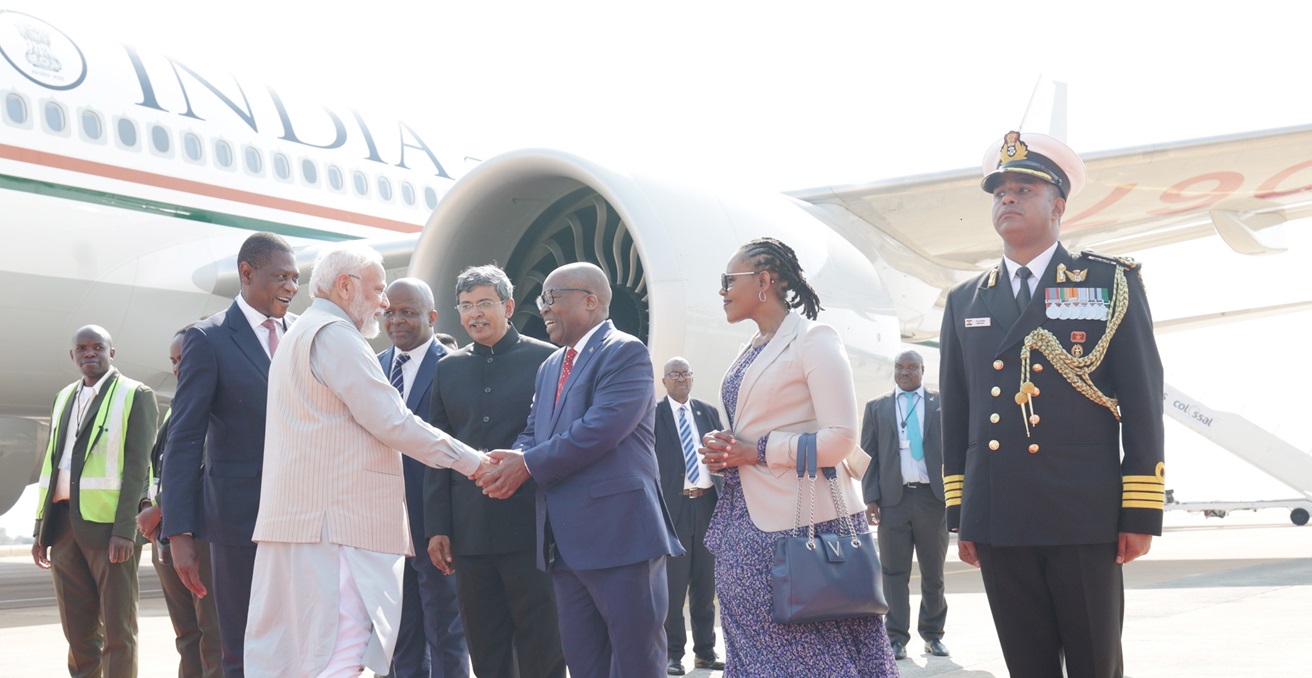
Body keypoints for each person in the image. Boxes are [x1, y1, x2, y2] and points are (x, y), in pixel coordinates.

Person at [939, 131, 1165, 678]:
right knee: (1027, 666)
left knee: (1095, 665)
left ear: (1058, 205)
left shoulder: (1107, 283)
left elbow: (1141, 399)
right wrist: (962, 516)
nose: (1007, 199)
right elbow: (958, 411)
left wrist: (1139, 511)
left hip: (1083, 516)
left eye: (1023, 189)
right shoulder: (966, 298)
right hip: (999, 516)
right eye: (999, 192)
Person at [244, 243, 493, 677]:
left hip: (305, 527)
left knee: (297, 658)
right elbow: (393, 422)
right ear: (344, 286)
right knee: (340, 654)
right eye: (378, 289)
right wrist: (475, 462)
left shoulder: (298, 333)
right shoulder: (335, 335)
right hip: (337, 530)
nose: (384, 302)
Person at [699, 237, 898, 676]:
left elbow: (841, 437)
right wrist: (728, 446)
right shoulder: (749, 349)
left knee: (805, 657)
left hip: (802, 528)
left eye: (729, 280)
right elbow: (759, 423)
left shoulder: (814, 339)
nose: (722, 290)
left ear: (765, 281)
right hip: (743, 521)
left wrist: (759, 451)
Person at [476, 262, 683, 678]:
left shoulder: (625, 351)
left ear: (590, 301)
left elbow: (601, 429)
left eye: (552, 297)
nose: (544, 308)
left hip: (621, 538)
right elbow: (534, 432)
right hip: (564, 546)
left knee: (635, 662)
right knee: (585, 663)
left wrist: (527, 464)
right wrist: (507, 462)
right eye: (542, 299)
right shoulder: (550, 366)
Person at [161, 231, 299, 677]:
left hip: (304, 519)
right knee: (241, 647)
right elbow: (183, 440)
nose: (291, 287)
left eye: (295, 278)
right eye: (281, 276)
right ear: (246, 273)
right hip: (239, 523)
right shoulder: (210, 339)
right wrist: (179, 532)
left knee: (299, 642)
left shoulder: (302, 335)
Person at [424, 265, 566, 678]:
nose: (474, 314)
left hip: (533, 529)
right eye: (466, 306)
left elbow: (558, 439)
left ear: (507, 306)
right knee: (484, 647)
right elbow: (438, 451)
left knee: (542, 643)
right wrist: (438, 526)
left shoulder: (547, 360)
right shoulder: (447, 368)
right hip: (470, 533)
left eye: (484, 303)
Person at [32, 325, 158, 678]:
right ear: (72, 356)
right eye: (82, 348)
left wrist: (124, 531)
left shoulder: (136, 394)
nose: (90, 353)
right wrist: (41, 528)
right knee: (77, 632)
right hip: (63, 527)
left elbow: (138, 469)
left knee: (118, 632)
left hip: (109, 532)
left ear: (111, 352)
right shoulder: (63, 397)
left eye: (97, 347)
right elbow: (52, 466)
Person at [376, 277, 470, 678]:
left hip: (434, 525)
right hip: (384, 525)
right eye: (389, 312)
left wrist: (445, 523)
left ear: (432, 317)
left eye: (408, 313)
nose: (396, 321)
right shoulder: (374, 366)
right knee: (399, 632)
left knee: (445, 630)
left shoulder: (454, 367)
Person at [137, 323, 222, 677]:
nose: (176, 367)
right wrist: (145, 505)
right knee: (186, 635)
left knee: (212, 634)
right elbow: (155, 465)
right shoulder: (176, 405)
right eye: (173, 361)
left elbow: (207, 468)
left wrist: (162, 510)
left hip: (198, 533)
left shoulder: (216, 404)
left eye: (182, 358)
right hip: (165, 534)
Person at [860, 349, 948, 661]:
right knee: (893, 572)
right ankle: (895, 638)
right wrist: (870, 497)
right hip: (892, 501)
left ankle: (933, 635)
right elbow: (867, 456)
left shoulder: (941, 404)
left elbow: (954, 450)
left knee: (933, 572)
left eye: (912, 367)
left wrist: (954, 495)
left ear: (923, 370)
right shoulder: (877, 407)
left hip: (932, 499)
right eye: (900, 366)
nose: (905, 372)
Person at [654, 357, 725, 676]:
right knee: (673, 584)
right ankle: (672, 654)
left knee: (704, 583)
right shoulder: (654, 415)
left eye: (685, 374)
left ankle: (706, 652)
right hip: (673, 508)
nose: (681, 379)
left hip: (707, 505)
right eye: (674, 375)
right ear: (665, 381)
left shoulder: (707, 412)